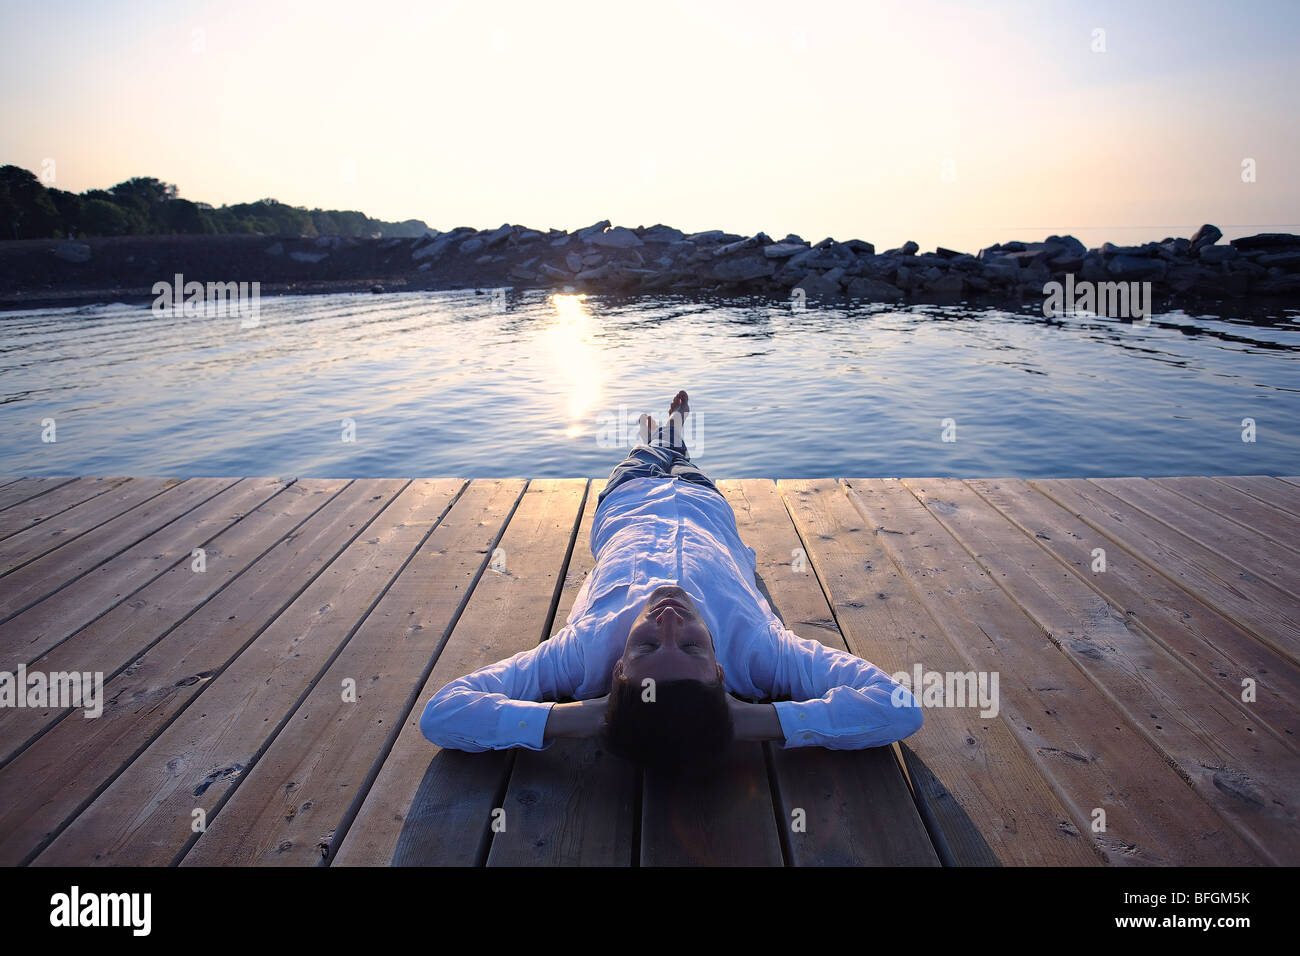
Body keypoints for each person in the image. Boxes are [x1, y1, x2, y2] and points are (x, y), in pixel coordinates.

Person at [420, 390, 923, 772]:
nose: (666, 621)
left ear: (617, 669)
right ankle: (672, 432)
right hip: (702, 498)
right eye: (691, 646)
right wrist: (751, 721)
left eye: (643, 648)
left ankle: (652, 434)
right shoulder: (759, 654)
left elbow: (444, 713)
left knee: (646, 449)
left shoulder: (582, 652)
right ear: (722, 676)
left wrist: (592, 715)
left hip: (629, 492)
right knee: (679, 451)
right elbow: (897, 707)